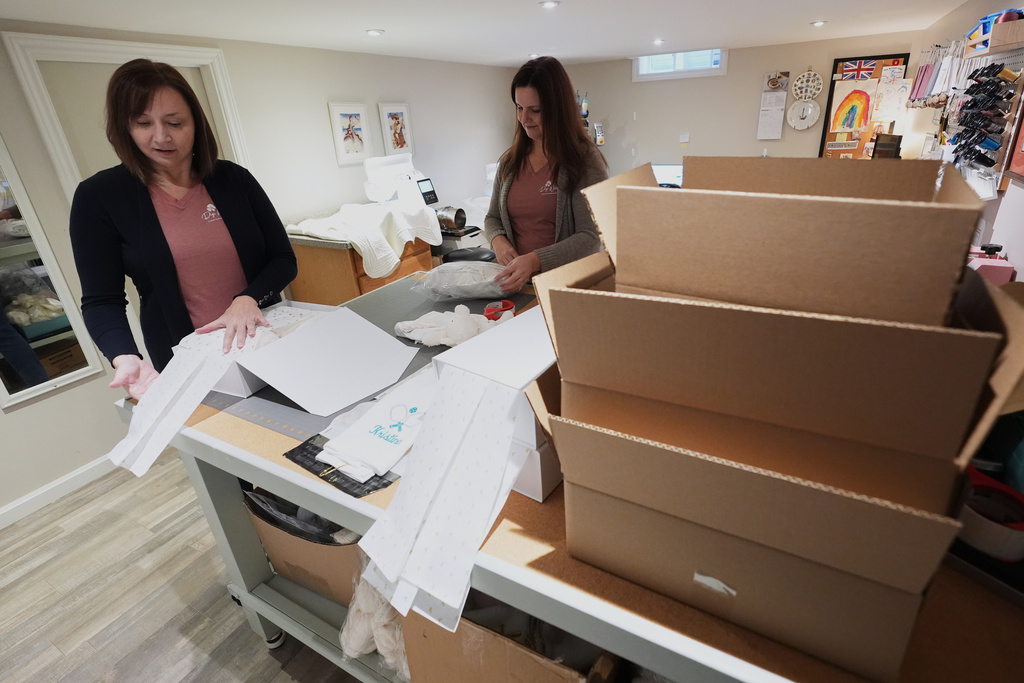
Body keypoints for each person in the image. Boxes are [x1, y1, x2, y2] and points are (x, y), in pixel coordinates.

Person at [70, 59, 297, 400]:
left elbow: (282, 259)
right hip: (185, 361)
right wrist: (124, 355)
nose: (161, 137)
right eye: (143, 123)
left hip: (264, 340)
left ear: (196, 122)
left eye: (175, 122)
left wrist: (247, 299)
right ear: (125, 128)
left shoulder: (234, 179)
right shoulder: (99, 197)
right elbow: (102, 300)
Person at [484, 56, 608, 293]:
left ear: (558, 110)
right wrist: (498, 240)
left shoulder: (585, 160)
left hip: (566, 288)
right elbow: (492, 218)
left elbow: (591, 237)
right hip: (520, 289)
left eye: (535, 110)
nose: (524, 119)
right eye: (519, 108)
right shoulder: (510, 162)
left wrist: (535, 260)